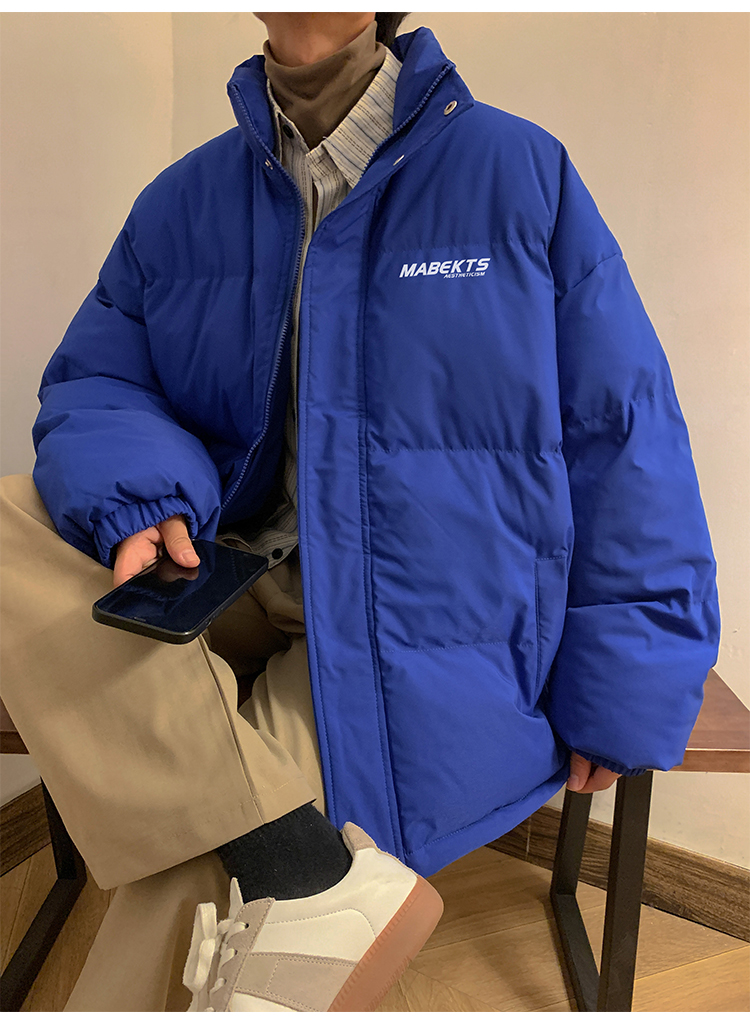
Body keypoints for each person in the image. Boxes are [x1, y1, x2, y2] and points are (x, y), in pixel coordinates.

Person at [0, 12, 720, 1013]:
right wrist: (142, 494)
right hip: (222, 573)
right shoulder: (182, 199)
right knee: (13, 517)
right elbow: (101, 380)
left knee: (200, 858)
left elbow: (623, 431)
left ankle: (287, 865)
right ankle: (302, 868)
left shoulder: (519, 175)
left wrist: (624, 683)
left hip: (408, 626)